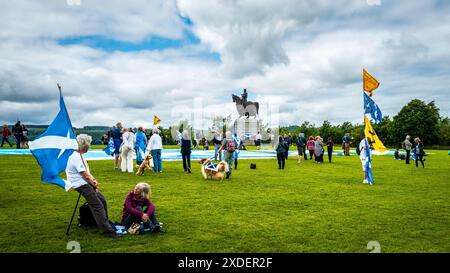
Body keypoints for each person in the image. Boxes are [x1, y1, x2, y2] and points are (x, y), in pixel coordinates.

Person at [66, 134, 118, 237]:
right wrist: (94, 184)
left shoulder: (78, 155)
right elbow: (85, 175)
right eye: (89, 144)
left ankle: (105, 222)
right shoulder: (76, 157)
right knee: (97, 205)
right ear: (84, 145)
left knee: (102, 199)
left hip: (84, 182)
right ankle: (107, 231)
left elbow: (87, 172)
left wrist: (94, 181)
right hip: (81, 184)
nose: (89, 146)